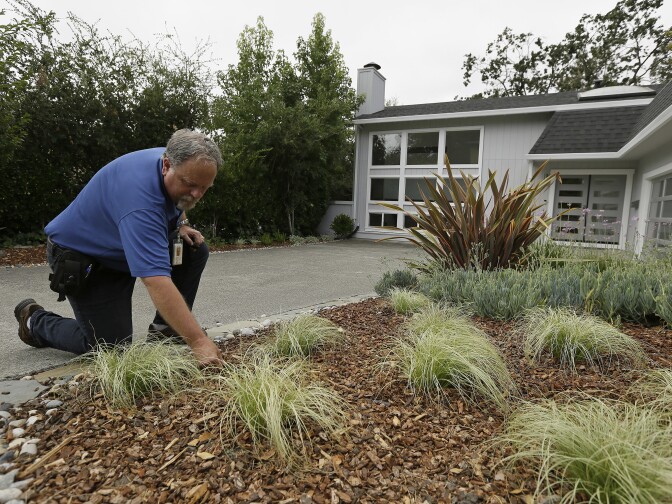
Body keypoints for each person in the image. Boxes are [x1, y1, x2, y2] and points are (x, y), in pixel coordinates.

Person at [14, 129, 224, 366]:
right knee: (109, 348)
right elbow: (156, 280)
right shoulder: (141, 203)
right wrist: (198, 342)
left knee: (192, 248)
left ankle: (166, 333)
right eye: (190, 184)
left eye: (205, 187)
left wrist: (182, 223)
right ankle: (35, 321)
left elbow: (181, 198)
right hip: (86, 258)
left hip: (120, 248)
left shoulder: (178, 160)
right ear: (167, 165)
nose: (197, 194)